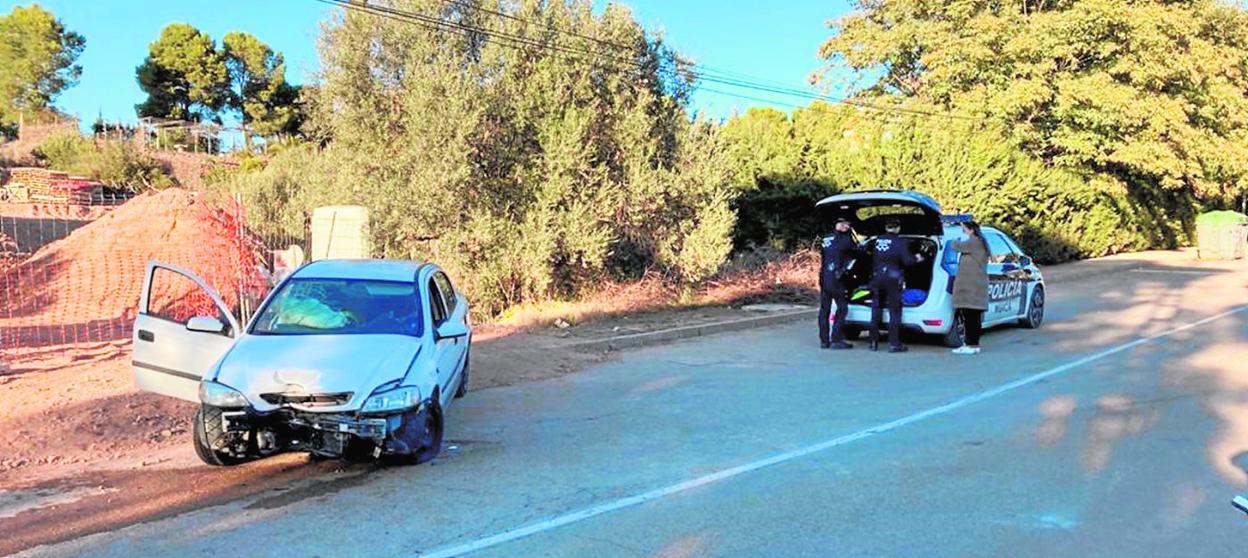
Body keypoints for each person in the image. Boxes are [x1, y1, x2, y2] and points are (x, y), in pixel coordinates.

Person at [868, 218, 924, 353]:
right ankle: (894, 344)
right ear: (898, 228)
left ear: (886, 227)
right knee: (894, 311)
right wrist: (917, 258)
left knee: (876, 309)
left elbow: (871, 257)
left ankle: (873, 342)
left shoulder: (877, 241)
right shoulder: (900, 242)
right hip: (892, 278)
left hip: (877, 277)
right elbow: (907, 261)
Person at [949, 220, 990, 355]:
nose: (963, 232)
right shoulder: (979, 241)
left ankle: (971, 345)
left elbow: (955, 245)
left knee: (970, 318)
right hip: (976, 287)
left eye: (964, 230)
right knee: (973, 318)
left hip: (972, 287)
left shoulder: (974, 242)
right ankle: (972, 344)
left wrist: (954, 237)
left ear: (971, 230)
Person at [818, 217, 858, 349]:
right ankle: (836, 339)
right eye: (845, 224)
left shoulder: (826, 238)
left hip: (824, 277)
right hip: (837, 279)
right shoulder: (845, 239)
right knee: (842, 308)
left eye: (848, 224)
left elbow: (824, 256)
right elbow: (855, 253)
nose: (847, 227)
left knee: (824, 310)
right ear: (839, 224)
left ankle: (824, 340)